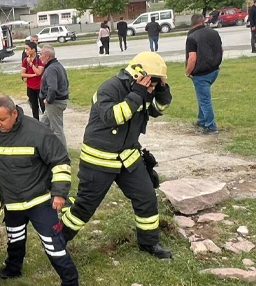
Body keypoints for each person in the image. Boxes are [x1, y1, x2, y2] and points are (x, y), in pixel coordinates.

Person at [60, 52, 173, 260]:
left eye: (157, 83)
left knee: (146, 196)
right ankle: (57, 240)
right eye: (152, 82)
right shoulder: (110, 88)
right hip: (99, 158)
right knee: (85, 206)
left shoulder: (145, 89)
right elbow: (113, 117)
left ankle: (149, 243)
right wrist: (137, 94)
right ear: (139, 75)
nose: (153, 88)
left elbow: (158, 108)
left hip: (127, 156)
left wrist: (162, 90)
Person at [0, 95, 81, 286]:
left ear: (14, 113)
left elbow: (60, 162)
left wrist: (60, 193)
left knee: (54, 246)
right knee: (15, 239)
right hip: (12, 202)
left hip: (40, 201)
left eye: (2, 119)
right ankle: (13, 269)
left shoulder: (38, 132)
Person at [185, 13, 223, 135]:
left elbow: (192, 58)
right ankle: (201, 120)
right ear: (203, 21)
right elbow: (221, 49)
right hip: (214, 69)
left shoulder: (191, 37)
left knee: (205, 100)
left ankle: (210, 126)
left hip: (201, 73)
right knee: (202, 97)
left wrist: (188, 72)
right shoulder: (214, 33)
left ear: (192, 23)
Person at [39, 45, 69, 147]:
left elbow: (53, 87)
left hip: (55, 103)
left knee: (57, 129)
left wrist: (48, 100)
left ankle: (62, 154)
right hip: (57, 101)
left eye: (41, 54)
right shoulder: (58, 66)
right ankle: (43, 148)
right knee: (42, 125)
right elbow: (66, 83)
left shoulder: (51, 69)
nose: (40, 57)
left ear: (47, 56)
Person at [21, 41, 45, 120]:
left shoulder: (40, 59)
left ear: (33, 50)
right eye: (25, 49)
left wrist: (31, 64)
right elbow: (22, 74)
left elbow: (39, 72)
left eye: (27, 49)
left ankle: (46, 123)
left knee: (43, 106)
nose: (25, 51)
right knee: (34, 107)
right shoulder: (25, 60)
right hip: (30, 87)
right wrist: (32, 75)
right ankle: (36, 122)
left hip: (40, 87)